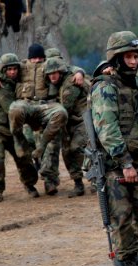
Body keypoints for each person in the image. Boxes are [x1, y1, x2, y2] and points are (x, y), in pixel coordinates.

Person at [90, 31, 138, 266]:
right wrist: (125, 162)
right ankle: (132, 263)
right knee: (121, 215)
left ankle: (123, 246)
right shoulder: (105, 88)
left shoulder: (136, 83)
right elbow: (107, 129)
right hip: (115, 165)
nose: (133, 61)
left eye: (135, 56)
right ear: (117, 59)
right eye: (128, 57)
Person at [0, 43, 85, 195]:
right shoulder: (20, 67)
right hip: (26, 105)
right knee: (15, 113)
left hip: (46, 106)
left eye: (40, 58)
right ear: (29, 58)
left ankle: (50, 181)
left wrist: (79, 72)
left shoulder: (49, 65)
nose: (37, 61)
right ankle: (19, 141)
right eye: (34, 58)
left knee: (52, 147)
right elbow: (2, 70)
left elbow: (68, 67)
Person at [0, 53, 39, 202]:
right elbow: (11, 109)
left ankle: (30, 185)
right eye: (9, 69)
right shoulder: (0, 88)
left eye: (15, 69)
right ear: (4, 71)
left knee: (24, 159)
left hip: (15, 130)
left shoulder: (20, 82)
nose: (12, 72)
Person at [44, 57, 89, 198]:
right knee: (67, 152)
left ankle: (96, 180)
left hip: (81, 121)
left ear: (61, 72)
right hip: (65, 123)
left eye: (55, 72)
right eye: (50, 73)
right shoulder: (51, 84)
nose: (52, 75)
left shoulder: (70, 84)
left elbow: (65, 109)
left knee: (78, 147)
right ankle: (78, 183)